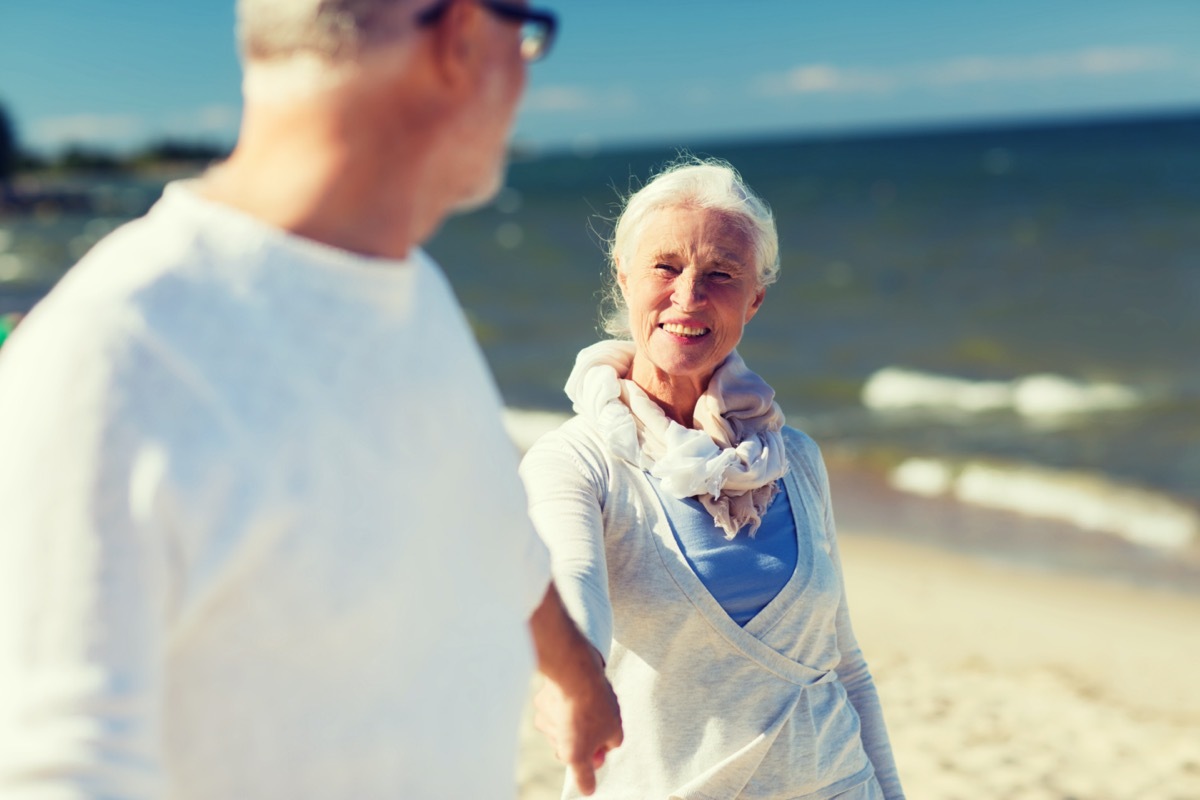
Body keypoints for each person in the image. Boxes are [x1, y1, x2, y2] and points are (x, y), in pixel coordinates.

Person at [0, 1, 621, 797]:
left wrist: (577, 681)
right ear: (462, 38)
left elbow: (496, 530)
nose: (530, 70)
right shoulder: (113, 361)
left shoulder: (414, 296)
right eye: (529, 33)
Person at [520, 158, 905, 799]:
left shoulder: (794, 458)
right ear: (624, 277)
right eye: (665, 267)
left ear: (754, 299)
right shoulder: (578, 461)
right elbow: (571, 578)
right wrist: (573, 677)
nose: (689, 296)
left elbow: (844, 667)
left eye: (721, 274)